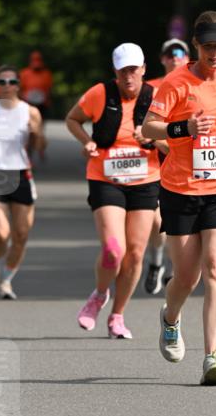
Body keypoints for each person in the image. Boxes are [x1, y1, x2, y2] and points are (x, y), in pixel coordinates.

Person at [142, 10, 216, 384]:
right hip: (181, 189)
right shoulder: (177, 83)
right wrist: (185, 127)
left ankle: (212, 356)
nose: (215, 53)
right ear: (196, 45)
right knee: (187, 277)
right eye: (208, 46)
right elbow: (148, 127)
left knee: (215, 266)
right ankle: (171, 318)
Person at [65, 43, 162, 339]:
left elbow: (175, 145)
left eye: (133, 70)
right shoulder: (100, 93)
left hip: (146, 179)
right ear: (115, 72)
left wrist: (150, 138)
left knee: (135, 254)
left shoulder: (157, 99)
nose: (128, 76)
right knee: (113, 249)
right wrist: (87, 141)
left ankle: (117, 316)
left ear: (144, 69)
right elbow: (72, 119)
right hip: (105, 177)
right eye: (123, 71)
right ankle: (99, 294)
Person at [0, 65, 45, 299]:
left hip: (21, 174)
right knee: (2, 233)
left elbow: (41, 147)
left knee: (21, 235)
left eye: (11, 82)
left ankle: (5, 281)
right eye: (1, 83)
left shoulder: (31, 111)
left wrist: (36, 133)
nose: (6, 87)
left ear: (19, 85)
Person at [143, 38, 190, 294]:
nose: (175, 58)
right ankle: (157, 262)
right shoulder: (150, 88)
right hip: (156, 162)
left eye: (180, 54)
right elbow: (144, 127)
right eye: (170, 54)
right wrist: (165, 145)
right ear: (163, 59)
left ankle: (174, 269)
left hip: (186, 163)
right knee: (157, 221)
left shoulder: (195, 85)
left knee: (178, 221)